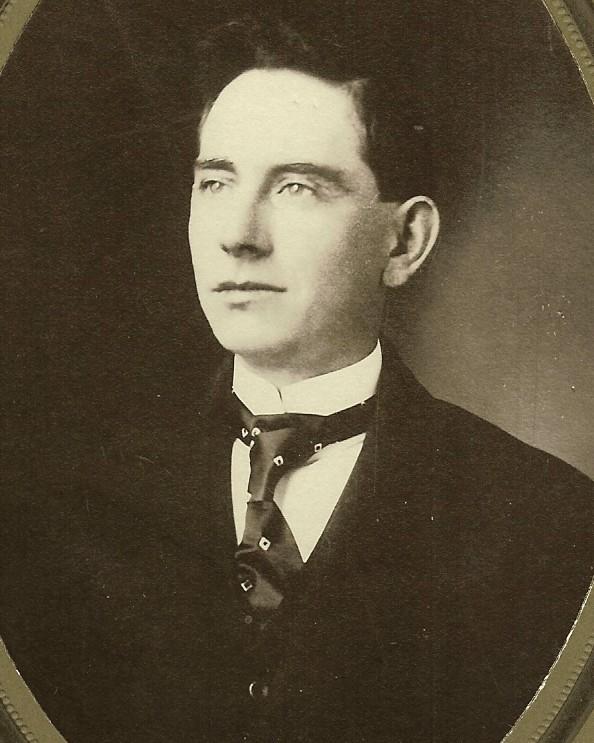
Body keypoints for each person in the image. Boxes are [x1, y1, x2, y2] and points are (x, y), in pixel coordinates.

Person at [0, 15, 592, 743]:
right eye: (216, 182)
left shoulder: (548, 526)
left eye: (297, 188)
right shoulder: (60, 508)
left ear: (404, 241)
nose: (238, 235)